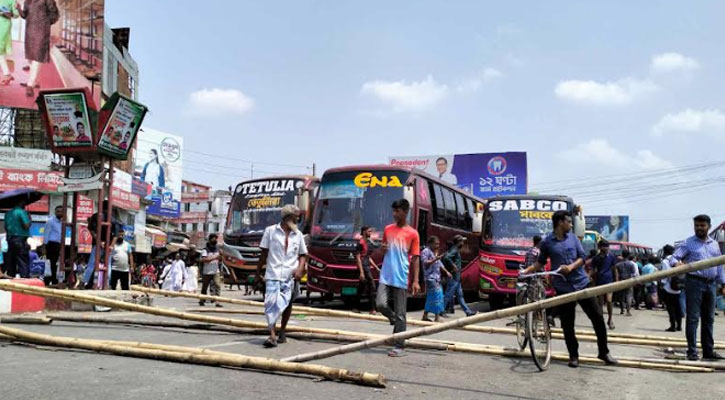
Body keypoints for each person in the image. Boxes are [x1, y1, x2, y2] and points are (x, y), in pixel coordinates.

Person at [523, 210, 617, 368]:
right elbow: (540, 262)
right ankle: (574, 356)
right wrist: (527, 270)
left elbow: (582, 258)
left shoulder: (573, 238)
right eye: (569, 221)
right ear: (560, 223)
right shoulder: (547, 242)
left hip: (581, 284)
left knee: (598, 318)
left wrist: (571, 267)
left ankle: (604, 352)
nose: (571, 224)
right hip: (563, 287)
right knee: (567, 324)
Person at [670, 215, 725, 361]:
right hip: (694, 283)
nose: (699, 228)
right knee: (693, 318)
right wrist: (677, 264)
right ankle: (692, 352)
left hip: (711, 284)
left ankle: (708, 351)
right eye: (697, 226)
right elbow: (674, 258)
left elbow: (718, 265)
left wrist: (722, 283)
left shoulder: (714, 244)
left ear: (709, 226)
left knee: (709, 319)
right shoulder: (688, 243)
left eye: (702, 225)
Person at [255, 204, 308, 348]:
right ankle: (272, 335)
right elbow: (263, 254)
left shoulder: (298, 235)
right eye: (296, 216)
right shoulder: (270, 231)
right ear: (288, 217)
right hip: (272, 273)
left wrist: (300, 269)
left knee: (288, 304)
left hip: (289, 274)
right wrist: (258, 273)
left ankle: (282, 331)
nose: (298, 219)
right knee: (270, 304)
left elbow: (303, 255)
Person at [376, 199, 421, 357]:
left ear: (405, 212)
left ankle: (399, 345)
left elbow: (415, 258)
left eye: (397, 211)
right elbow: (383, 249)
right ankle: (394, 319)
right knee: (380, 304)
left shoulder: (413, 233)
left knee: (402, 312)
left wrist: (415, 281)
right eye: (393, 211)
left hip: (401, 276)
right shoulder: (388, 229)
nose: (394, 214)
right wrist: (382, 249)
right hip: (386, 275)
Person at [16, 0, 59, 97]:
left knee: (38, 56)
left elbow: (54, 14)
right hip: (30, 31)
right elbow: (25, 15)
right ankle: (34, 81)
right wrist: (18, 8)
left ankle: (30, 85)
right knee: (31, 57)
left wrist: (44, 23)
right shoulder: (28, 1)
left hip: (41, 31)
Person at [443, 235, 476, 317]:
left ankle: (468, 312)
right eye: (462, 241)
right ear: (459, 242)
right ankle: (440, 310)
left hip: (457, 277)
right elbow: (447, 257)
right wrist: (453, 265)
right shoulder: (454, 250)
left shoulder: (455, 250)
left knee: (460, 296)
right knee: (448, 294)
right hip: (454, 277)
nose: (463, 243)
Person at [589, 240, 619, 330]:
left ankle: (610, 320)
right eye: (604, 247)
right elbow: (593, 269)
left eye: (607, 247)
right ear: (600, 247)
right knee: (600, 303)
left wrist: (617, 280)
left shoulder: (611, 257)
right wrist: (589, 276)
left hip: (609, 281)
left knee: (609, 301)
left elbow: (615, 269)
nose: (606, 248)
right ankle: (600, 320)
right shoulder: (596, 258)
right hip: (599, 282)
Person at [421, 236, 450, 322]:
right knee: (437, 296)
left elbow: (439, 263)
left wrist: (447, 272)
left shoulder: (434, 252)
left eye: (438, 244)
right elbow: (425, 263)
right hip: (431, 278)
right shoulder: (425, 252)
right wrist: (435, 259)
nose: (437, 245)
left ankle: (425, 315)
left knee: (433, 297)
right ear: (430, 243)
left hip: (436, 278)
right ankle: (437, 317)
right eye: (436, 244)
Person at [4, 196, 31, 278]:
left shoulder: (7, 213)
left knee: (11, 261)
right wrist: (29, 219)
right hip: (20, 239)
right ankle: (24, 280)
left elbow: (5, 227)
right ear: (21, 203)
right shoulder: (22, 212)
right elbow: (26, 225)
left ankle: (11, 278)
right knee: (22, 260)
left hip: (10, 238)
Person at [355, 226, 379, 314]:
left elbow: (367, 257)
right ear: (364, 232)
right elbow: (358, 258)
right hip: (364, 267)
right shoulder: (360, 243)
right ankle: (372, 309)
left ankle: (356, 307)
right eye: (369, 231)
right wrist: (361, 272)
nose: (370, 233)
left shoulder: (366, 243)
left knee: (361, 288)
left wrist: (376, 267)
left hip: (367, 266)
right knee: (372, 287)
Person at [660, 245, 683, 332]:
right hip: (678, 287)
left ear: (665, 252)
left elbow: (665, 274)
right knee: (678, 307)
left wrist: (662, 284)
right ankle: (679, 326)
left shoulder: (665, 261)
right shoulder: (678, 260)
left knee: (670, 308)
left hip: (669, 288)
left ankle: (673, 326)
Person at [199, 234, 224, 307]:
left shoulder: (217, 249)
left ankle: (217, 301)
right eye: (213, 239)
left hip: (215, 271)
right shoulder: (205, 250)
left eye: (215, 239)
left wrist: (221, 256)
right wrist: (216, 256)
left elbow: (220, 259)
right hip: (207, 271)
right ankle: (202, 300)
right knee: (205, 287)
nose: (215, 240)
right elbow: (205, 260)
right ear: (210, 240)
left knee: (217, 285)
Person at [42, 205, 63, 285]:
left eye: (61, 211)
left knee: (56, 263)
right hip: (51, 244)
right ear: (55, 212)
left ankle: (54, 279)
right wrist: (44, 246)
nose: (60, 213)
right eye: (58, 211)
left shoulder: (62, 222)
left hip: (58, 244)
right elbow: (46, 234)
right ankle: (49, 280)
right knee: (51, 263)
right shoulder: (50, 221)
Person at [615, 250, 639, 316]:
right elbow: (634, 273)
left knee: (621, 296)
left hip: (621, 281)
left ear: (622, 255)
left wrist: (617, 282)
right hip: (629, 281)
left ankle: (622, 310)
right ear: (628, 256)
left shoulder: (618, 265)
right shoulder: (631, 264)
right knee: (629, 296)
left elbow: (616, 274)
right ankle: (628, 311)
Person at [0, 0, 18, 86]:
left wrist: (5, 13)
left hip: (3, 26)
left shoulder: (11, 0)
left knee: (0, 49)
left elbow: (16, 14)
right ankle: (7, 74)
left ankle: (7, 74)